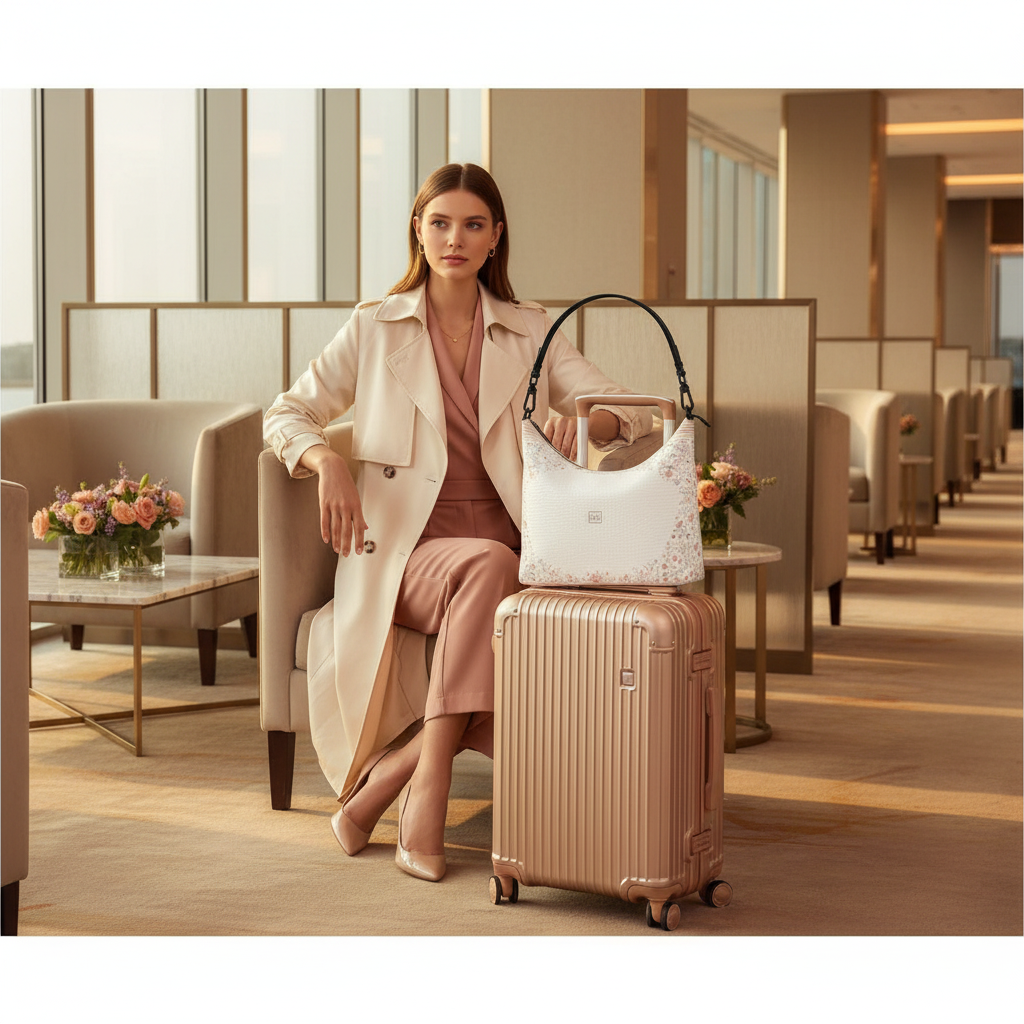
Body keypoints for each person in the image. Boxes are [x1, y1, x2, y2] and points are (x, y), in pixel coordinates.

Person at [264, 163, 652, 882]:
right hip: (404, 557)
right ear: (418, 228)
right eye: (440, 222)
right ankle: (428, 796)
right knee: (491, 567)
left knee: (503, 573)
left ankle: (390, 783)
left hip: (513, 554)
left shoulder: (531, 328)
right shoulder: (373, 328)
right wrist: (329, 462)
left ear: (496, 236)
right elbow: (286, 412)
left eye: (474, 224)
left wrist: (583, 417)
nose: (455, 238)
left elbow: (629, 409)